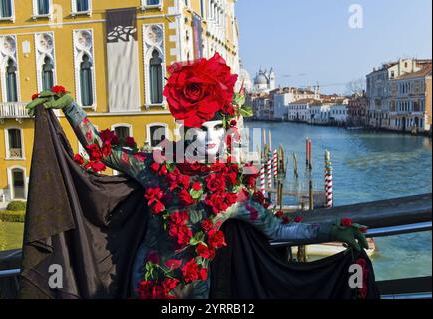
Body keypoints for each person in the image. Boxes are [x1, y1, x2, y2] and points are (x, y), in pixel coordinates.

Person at [26, 53, 368, 299]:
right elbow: (102, 150)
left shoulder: (231, 192)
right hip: (146, 285)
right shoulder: (156, 169)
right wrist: (71, 106)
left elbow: (279, 229)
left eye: (218, 130)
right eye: (201, 130)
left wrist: (331, 228)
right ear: (187, 129)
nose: (210, 139)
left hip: (197, 291)